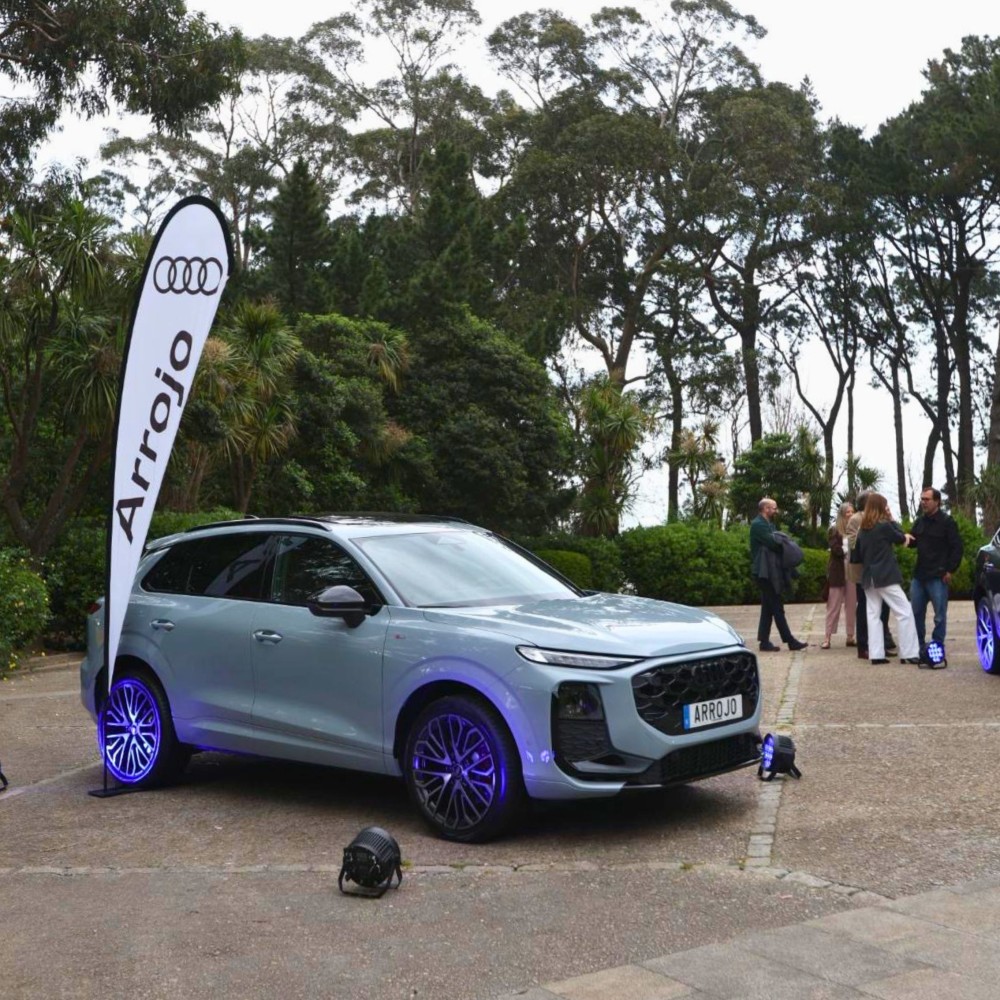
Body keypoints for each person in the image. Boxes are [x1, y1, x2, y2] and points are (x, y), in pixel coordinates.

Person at [855, 493, 920, 664]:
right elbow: (900, 537)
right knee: (904, 611)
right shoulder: (883, 526)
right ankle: (909, 653)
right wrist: (892, 519)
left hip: (868, 577)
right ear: (880, 507)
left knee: (873, 615)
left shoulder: (863, 530)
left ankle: (876, 655)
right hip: (885, 576)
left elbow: (857, 556)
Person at [909, 486, 963, 668]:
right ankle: (920, 649)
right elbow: (912, 542)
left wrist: (950, 570)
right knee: (916, 614)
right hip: (919, 576)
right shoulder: (920, 522)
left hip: (938, 576)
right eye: (922, 499)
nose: (923, 502)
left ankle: (937, 648)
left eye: (927, 499)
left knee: (940, 616)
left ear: (937, 501)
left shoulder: (947, 522)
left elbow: (957, 548)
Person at [750, 497, 808, 652]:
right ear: (766, 509)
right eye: (774, 508)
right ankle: (790, 641)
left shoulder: (768, 524)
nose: (776, 511)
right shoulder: (758, 525)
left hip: (768, 571)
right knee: (777, 606)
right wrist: (785, 542)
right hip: (764, 572)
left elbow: (776, 542)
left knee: (768, 608)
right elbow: (774, 544)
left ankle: (764, 642)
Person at [845, 491, 895, 659]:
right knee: (865, 607)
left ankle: (880, 643)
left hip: (881, 571)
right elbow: (853, 544)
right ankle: (863, 646)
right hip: (863, 572)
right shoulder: (855, 519)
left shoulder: (881, 519)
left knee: (883, 608)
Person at [822, 501, 856, 648]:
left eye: (852, 511)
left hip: (853, 570)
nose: (850, 514)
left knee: (851, 604)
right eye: (848, 512)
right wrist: (847, 550)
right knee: (833, 605)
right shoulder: (834, 530)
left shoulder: (856, 530)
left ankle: (850, 636)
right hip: (838, 571)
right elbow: (835, 549)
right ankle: (827, 637)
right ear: (842, 514)